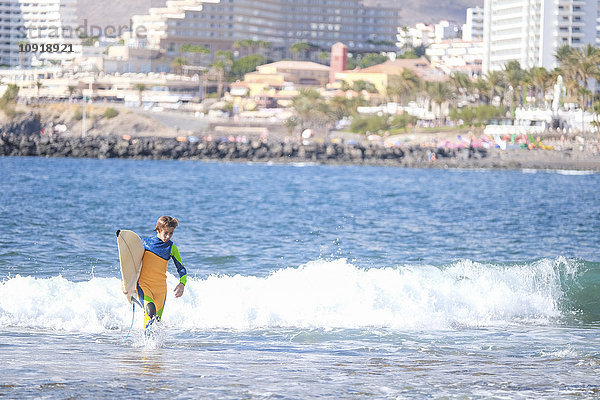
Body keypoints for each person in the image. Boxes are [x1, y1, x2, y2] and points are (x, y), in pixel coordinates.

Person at [137, 216, 187, 329]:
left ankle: (151, 346)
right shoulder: (145, 243)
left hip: (160, 290)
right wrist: (126, 282)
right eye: (166, 233)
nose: (168, 236)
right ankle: (147, 344)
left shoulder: (172, 247)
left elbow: (181, 269)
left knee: (156, 323)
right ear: (158, 230)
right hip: (143, 285)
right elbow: (131, 264)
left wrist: (182, 283)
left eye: (171, 233)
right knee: (150, 312)